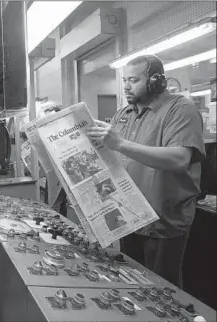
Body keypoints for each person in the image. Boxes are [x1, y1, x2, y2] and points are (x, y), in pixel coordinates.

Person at [87, 54, 206, 288]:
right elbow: (116, 159)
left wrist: (119, 143)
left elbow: (179, 159)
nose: (126, 86)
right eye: (124, 80)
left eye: (133, 80)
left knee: (162, 291)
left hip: (163, 222)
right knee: (135, 285)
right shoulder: (123, 114)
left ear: (156, 82)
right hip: (129, 219)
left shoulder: (180, 109)